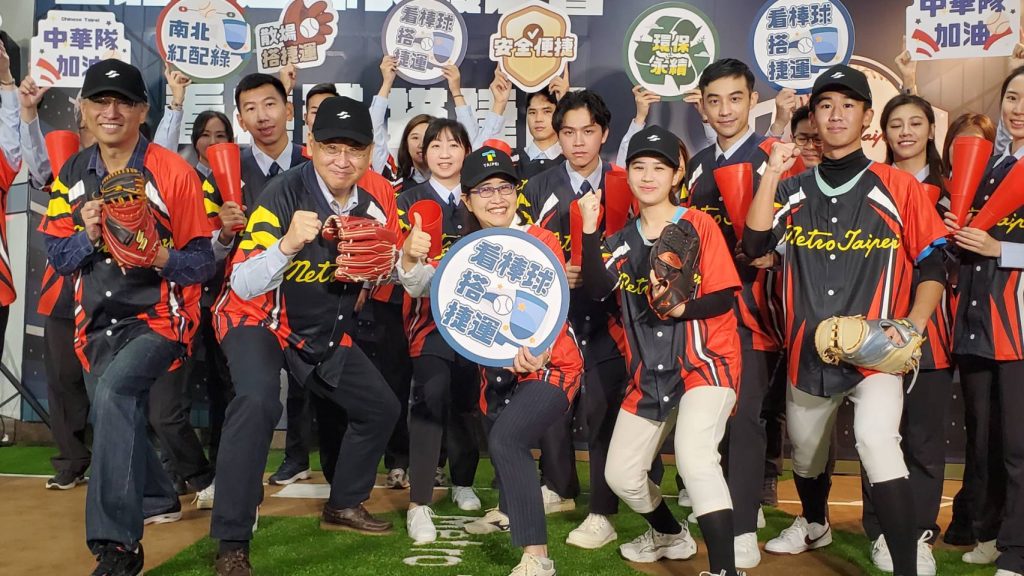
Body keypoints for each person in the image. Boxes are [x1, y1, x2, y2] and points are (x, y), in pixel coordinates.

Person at [743, 64, 947, 576]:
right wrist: (771, 172)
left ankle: (905, 558)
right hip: (807, 350)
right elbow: (754, 243)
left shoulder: (899, 187)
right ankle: (815, 521)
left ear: (867, 117)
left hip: (876, 350)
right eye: (826, 105)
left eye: (848, 105)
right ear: (813, 116)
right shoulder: (792, 188)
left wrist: (913, 326)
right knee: (807, 456)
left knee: (878, 441)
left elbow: (933, 266)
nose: (836, 115)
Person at [211, 96, 401, 576]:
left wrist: (406, 263)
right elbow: (242, 282)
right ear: (311, 146)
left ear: (370, 152)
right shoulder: (282, 193)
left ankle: (344, 502)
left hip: (316, 328)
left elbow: (382, 275)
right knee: (257, 402)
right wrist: (287, 244)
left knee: (380, 406)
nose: (343, 160)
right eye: (332, 147)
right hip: (256, 318)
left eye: (354, 149)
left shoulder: (373, 207)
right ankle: (232, 541)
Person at [40, 59, 215, 576]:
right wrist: (88, 234)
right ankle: (158, 496)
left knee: (115, 395)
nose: (111, 111)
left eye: (124, 102)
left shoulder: (173, 171)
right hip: (96, 321)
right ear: (84, 110)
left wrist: (158, 256)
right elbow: (58, 256)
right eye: (100, 101)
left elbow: (202, 263)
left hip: (160, 317)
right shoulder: (72, 173)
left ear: (142, 111)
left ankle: (116, 547)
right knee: (118, 410)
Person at [400, 146, 583, 575]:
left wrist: (539, 349)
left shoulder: (540, 240)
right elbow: (422, 284)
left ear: (517, 192)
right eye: (484, 190)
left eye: (504, 187)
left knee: (506, 440)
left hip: (552, 367)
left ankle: (537, 559)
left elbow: (551, 310)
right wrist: (408, 256)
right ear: (467, 199)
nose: (497, 198)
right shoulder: (467, 251)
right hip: (497, 377)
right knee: (501, 434)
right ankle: (507, 510)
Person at [582, 124, 743, 576]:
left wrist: (682, 308)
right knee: (621, 475)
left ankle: (725, 571)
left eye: (659, 167)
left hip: (705, 363)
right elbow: (596, 288)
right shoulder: (620, 240)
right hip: (650, 374)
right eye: (639, 167)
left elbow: (725, 297)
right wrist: (591, 229)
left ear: (677, 175)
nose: (648, 176)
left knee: (694, 456)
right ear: (627, 173)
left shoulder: (698, 224)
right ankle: (671, 535)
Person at [684, 58, 796, 569]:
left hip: (755, 314)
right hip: (703, 318)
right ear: (702, 107)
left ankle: (744, 524)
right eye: (715, 100)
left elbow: (802, 234)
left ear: (753, 101)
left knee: (746, 418)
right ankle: (719, 504)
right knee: (712, 421)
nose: (725, 109)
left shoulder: (777, 157)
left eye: (735, 98)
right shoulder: (695, 166)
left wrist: (775, 254)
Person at [517, 89, 630, 548]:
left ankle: (602, 511)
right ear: (556, 134)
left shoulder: (627, 183)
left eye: (588, 131)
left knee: (602, 411)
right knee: (551, 405)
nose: (578, 142)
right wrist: (553, 270)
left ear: (604, 133)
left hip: (613, 317)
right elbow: (521, 251)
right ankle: (559, 486)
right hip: (554, 318)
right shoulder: (536, 187)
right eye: (568, 132)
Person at [858, 93, 954, 575]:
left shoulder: (953, 187)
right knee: (875, 434)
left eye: (916, 123)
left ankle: (919, 533)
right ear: (882, 130)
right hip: (877, 330)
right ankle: (880, 530)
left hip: (932, 329)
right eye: (896, 124)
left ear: (931, 129)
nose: (906, 132)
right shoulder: (869, 183)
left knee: (923, 439)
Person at [943, 66, 1024, 576]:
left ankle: (1018, 548)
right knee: (984, 440)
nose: (1018, 108)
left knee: (1017, 446)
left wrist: (1002, 249)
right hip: (974, 322)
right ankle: (991, 531)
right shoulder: (990, 164)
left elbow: (996, 245)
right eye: (1012, 97)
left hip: (1018, 328)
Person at [397, 119, 484, 543]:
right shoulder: (407, 201)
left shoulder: (480, 198)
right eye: (436, 145)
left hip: (475, 323)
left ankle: (463, 481)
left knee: (467, 401)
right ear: (423, 153)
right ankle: (419, 503)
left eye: (454, 145)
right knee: (430, 398)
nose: (445, 153)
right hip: (426, 322)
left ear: (467, 151)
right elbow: (399, 267)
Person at [231, 72, 315, 487]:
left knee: (307, 387)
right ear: (240, 119)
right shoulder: (229, 168)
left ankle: (298, 457)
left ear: (289, 110)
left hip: (307, 294)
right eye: (250, 109)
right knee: (248, 391)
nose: (262, 116)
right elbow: (204, 245)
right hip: (247, 304)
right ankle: (233, 475)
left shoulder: (315, 163)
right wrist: (223, 232)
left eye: (270, 105)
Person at [938, 111, 998, 548]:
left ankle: (979, 517)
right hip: (943, 323)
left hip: (990, 324)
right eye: (960, 144)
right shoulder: (940, 193)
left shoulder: (1002, 190)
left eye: (978, 143)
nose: (968, 151)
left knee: (989, 429)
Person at [374, 56, 510, 189]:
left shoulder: (461, 179)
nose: (422, 144)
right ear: (405, 144)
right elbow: (373, 130)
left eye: (429, 139)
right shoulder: (394, 179)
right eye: (415, 138)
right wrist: (387, 83)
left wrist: (457, 91)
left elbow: (474, 149)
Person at [509, 72, 568, 179]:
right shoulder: (511, 161)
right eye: (532, 112)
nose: (538, 119)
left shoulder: (572, 161)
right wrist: (499, 103)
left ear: (559, 114)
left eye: (546, 111)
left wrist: (566, 104)